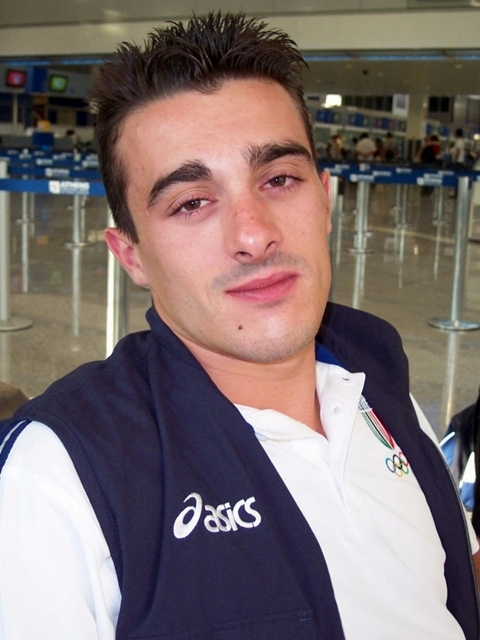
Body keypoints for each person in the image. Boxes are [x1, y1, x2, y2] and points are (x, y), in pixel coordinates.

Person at [0, 13, 478, 640]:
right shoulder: (65, 476)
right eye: (192, 202)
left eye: (278, 179)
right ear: (131, 255)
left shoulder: (381, 390)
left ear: (325, 200)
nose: (253, 234)